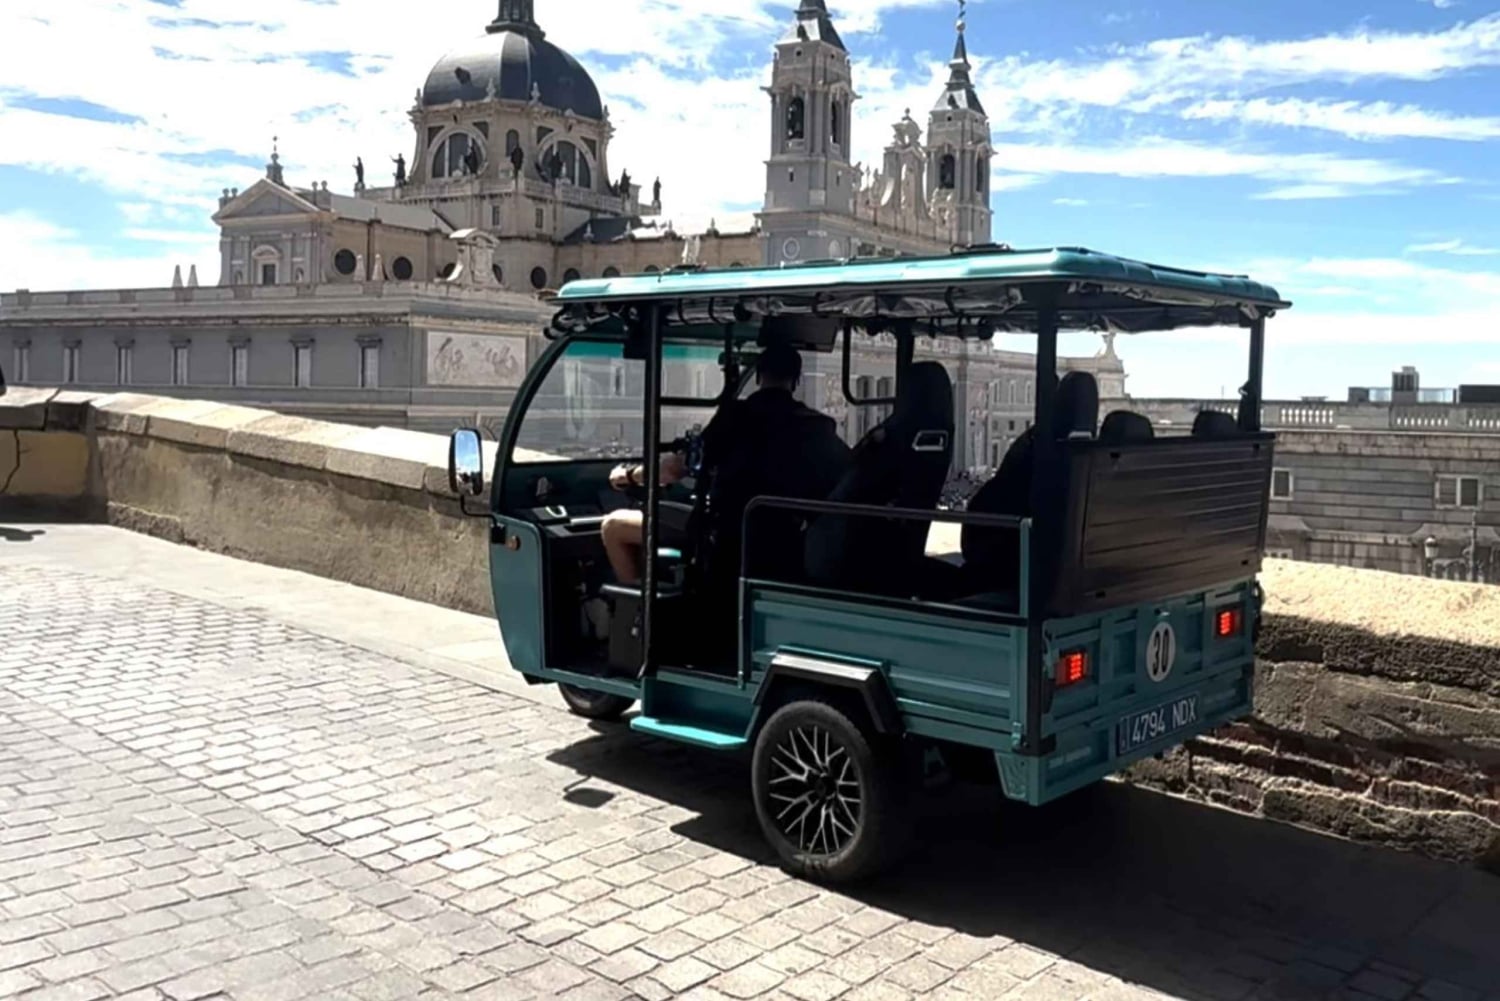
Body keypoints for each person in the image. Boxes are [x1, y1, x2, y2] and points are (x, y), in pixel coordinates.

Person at [601, 343, 850, 587]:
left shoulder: (736, 417)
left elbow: (674, 469)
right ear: (796, 381)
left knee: (613, 525)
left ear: (760, 376)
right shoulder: (817, 426)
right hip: (788, 539)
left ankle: (640, 617)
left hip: (726, 534)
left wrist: (628, 476)